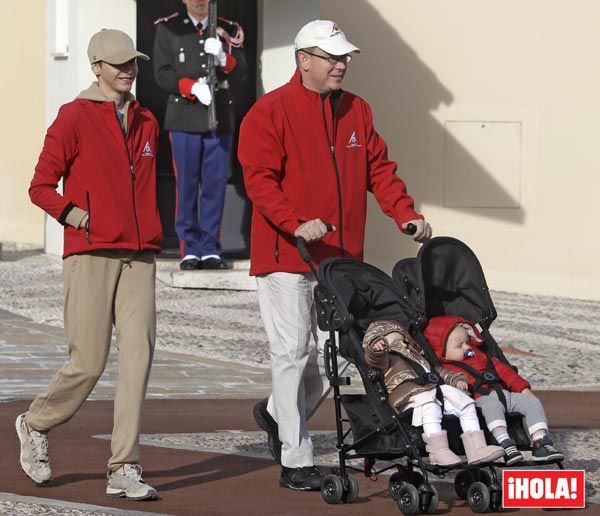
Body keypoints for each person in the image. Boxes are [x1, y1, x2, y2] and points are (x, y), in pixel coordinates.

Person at [238, 19, 433, 491]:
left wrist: (404, 213)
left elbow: (380, 169)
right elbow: (259, 179)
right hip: (286, 256)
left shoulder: (358, 111)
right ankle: (297, 459)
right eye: (332, 57)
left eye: (344, 56)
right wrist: (294, 221)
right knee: (290, 352)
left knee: (334, 356)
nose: (342, 64)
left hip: (340, 262)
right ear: (304, 59)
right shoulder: (269, 112)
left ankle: (274, 413)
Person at [16, 29, 162, 500]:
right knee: (89, 361)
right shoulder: (73, 117)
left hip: (139, 255)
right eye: (118, 63)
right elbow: (40, 186)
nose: (127, 70)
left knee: (137, 358)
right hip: (91, 251)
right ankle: (35, 422)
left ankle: (124, 466)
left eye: (133, 62)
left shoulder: (147, 121)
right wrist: (77, 215)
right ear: (96, 66)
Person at [153, 0, 247, 270]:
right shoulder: (169, 28)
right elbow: (162, 73)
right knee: (187, 186)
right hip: (184, 117)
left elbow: (242, 73)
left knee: (214, 186)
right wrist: (191, 87)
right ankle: (189, 247)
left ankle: (210, 247)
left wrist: (223, 60)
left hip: (218, 119)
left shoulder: (227, 29)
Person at [424, 315, 564, 465]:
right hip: (480, 399)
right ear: (442, 352)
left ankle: (540, 441)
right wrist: (458, 385)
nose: (467, 348)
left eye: (467, 342)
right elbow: (448, 388)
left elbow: (505, 372)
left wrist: (522, 388)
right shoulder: (448, 370)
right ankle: (505, 442)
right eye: (460, 346)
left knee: (532, 402)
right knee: (492, 406)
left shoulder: (482, 357)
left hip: (504, 394)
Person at [363, 320, 504, 466]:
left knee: (465, 402)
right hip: (408, 395)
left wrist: (453, 379)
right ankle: (438, 451)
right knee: (431, 406)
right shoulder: (387, 359)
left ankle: (476, 448)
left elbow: (436, 370)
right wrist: (376, 347)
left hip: (431, 389)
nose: (404, 343)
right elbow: (375, 358)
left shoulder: (417, 357)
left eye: (404, 339)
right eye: (397, 341)